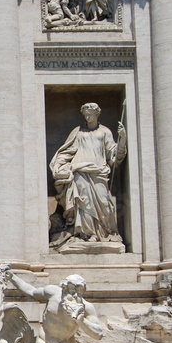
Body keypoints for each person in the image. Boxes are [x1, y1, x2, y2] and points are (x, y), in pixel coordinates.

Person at [49, 102, 126, 249]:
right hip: (80, 171)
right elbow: (67, 151)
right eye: (85, 114)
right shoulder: (78, 132)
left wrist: (122, 138)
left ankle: (103, 233)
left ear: (97, 114)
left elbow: (115, 156)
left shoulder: (105, 132)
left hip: (99, 172)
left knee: (103, 202)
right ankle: (86, 234)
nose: (87, 116)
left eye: (90, 114)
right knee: (83, 203)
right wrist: (59, 165)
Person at [6, 271, 105, 343]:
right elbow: (31, 291)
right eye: (72, 291)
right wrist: (13, 278)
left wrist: (81, 321)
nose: (75, 295)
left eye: (79, 292)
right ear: (64, 288)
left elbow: (98, 334)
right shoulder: (52, 293)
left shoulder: (87, 307)